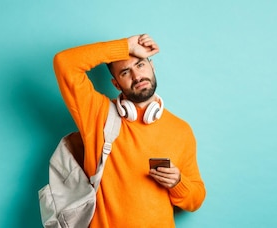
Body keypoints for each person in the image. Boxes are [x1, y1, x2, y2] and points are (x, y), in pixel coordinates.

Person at [53, 34, 206, 227]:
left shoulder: (181, 130)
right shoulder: (97, 115)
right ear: (116, 83)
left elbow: (196, 199)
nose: (137, 76)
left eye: (140, 65)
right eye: (125, 72)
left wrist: (178, 183)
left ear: (152, 66)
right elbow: (64, 63)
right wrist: (126, 46)